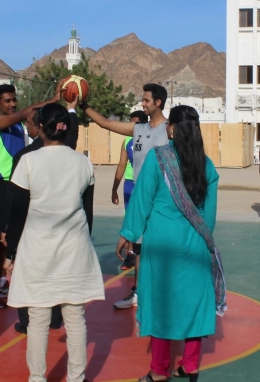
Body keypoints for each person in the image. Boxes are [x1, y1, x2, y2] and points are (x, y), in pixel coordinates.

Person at [117, 105, 222, 382]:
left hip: (161, 245)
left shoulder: (158, 158)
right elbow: (209, 217)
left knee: (160, 302)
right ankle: (190, 364)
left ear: (172, 128)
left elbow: (141, 200)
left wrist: (128, 233)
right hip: (194, 244)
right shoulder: (207, 165)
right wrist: (202, 239)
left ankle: (159, 370)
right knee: (193, 302)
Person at [6, 103, 103, 382]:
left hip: (37, 250)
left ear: (40, 127)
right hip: (75, 249)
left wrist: (11, 252)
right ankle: (77, 377)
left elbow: (17, 213)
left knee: (37, 319)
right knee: (75, 318)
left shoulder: (28, 161)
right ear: (65, 128)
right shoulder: (83, 162)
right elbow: (88, 213)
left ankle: (37, 378)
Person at [81, 83, 169, 310]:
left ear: (158, 102)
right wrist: (83, 105)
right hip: (140, 197)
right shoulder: (138, 129)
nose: (142, 103)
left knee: (159, 248)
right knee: (137, 246)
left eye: (146, 100)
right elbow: (106, 123)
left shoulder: (170, 130)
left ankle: (162, 294)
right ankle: (138, 292)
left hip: (161, 199)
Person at [0, 83, 63, 309]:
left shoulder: (16, 127)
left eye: (14, 99)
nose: (13, 104)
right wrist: (54, 99)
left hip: (13, 182)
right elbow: (27, 112)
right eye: (7, 100)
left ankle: (0, 282)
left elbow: (27, 114)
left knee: (5, 236)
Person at [6, 98, 81, 334]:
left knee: (29, 277)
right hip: (64, 230)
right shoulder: (73, 153)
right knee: (57, 273)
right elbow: (72, 132)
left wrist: (10, 244)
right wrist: (72, 109)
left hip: (34, 229)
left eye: (29, 123)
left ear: (40, 127)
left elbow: (17, 204)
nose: (27, 127)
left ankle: (27, 320)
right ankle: (55, 317)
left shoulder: (25, 157)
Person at [112, 110, 149, 269]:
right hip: (130, 183)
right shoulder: (127, 140)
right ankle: (131, 254)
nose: (133, 127)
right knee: (130, 218)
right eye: (131, 123)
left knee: (146, 218)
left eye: (136, 123)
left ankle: (145, 251)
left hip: (145, 183)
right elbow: (121, 165)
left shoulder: (150, 138)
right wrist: (114, 189)